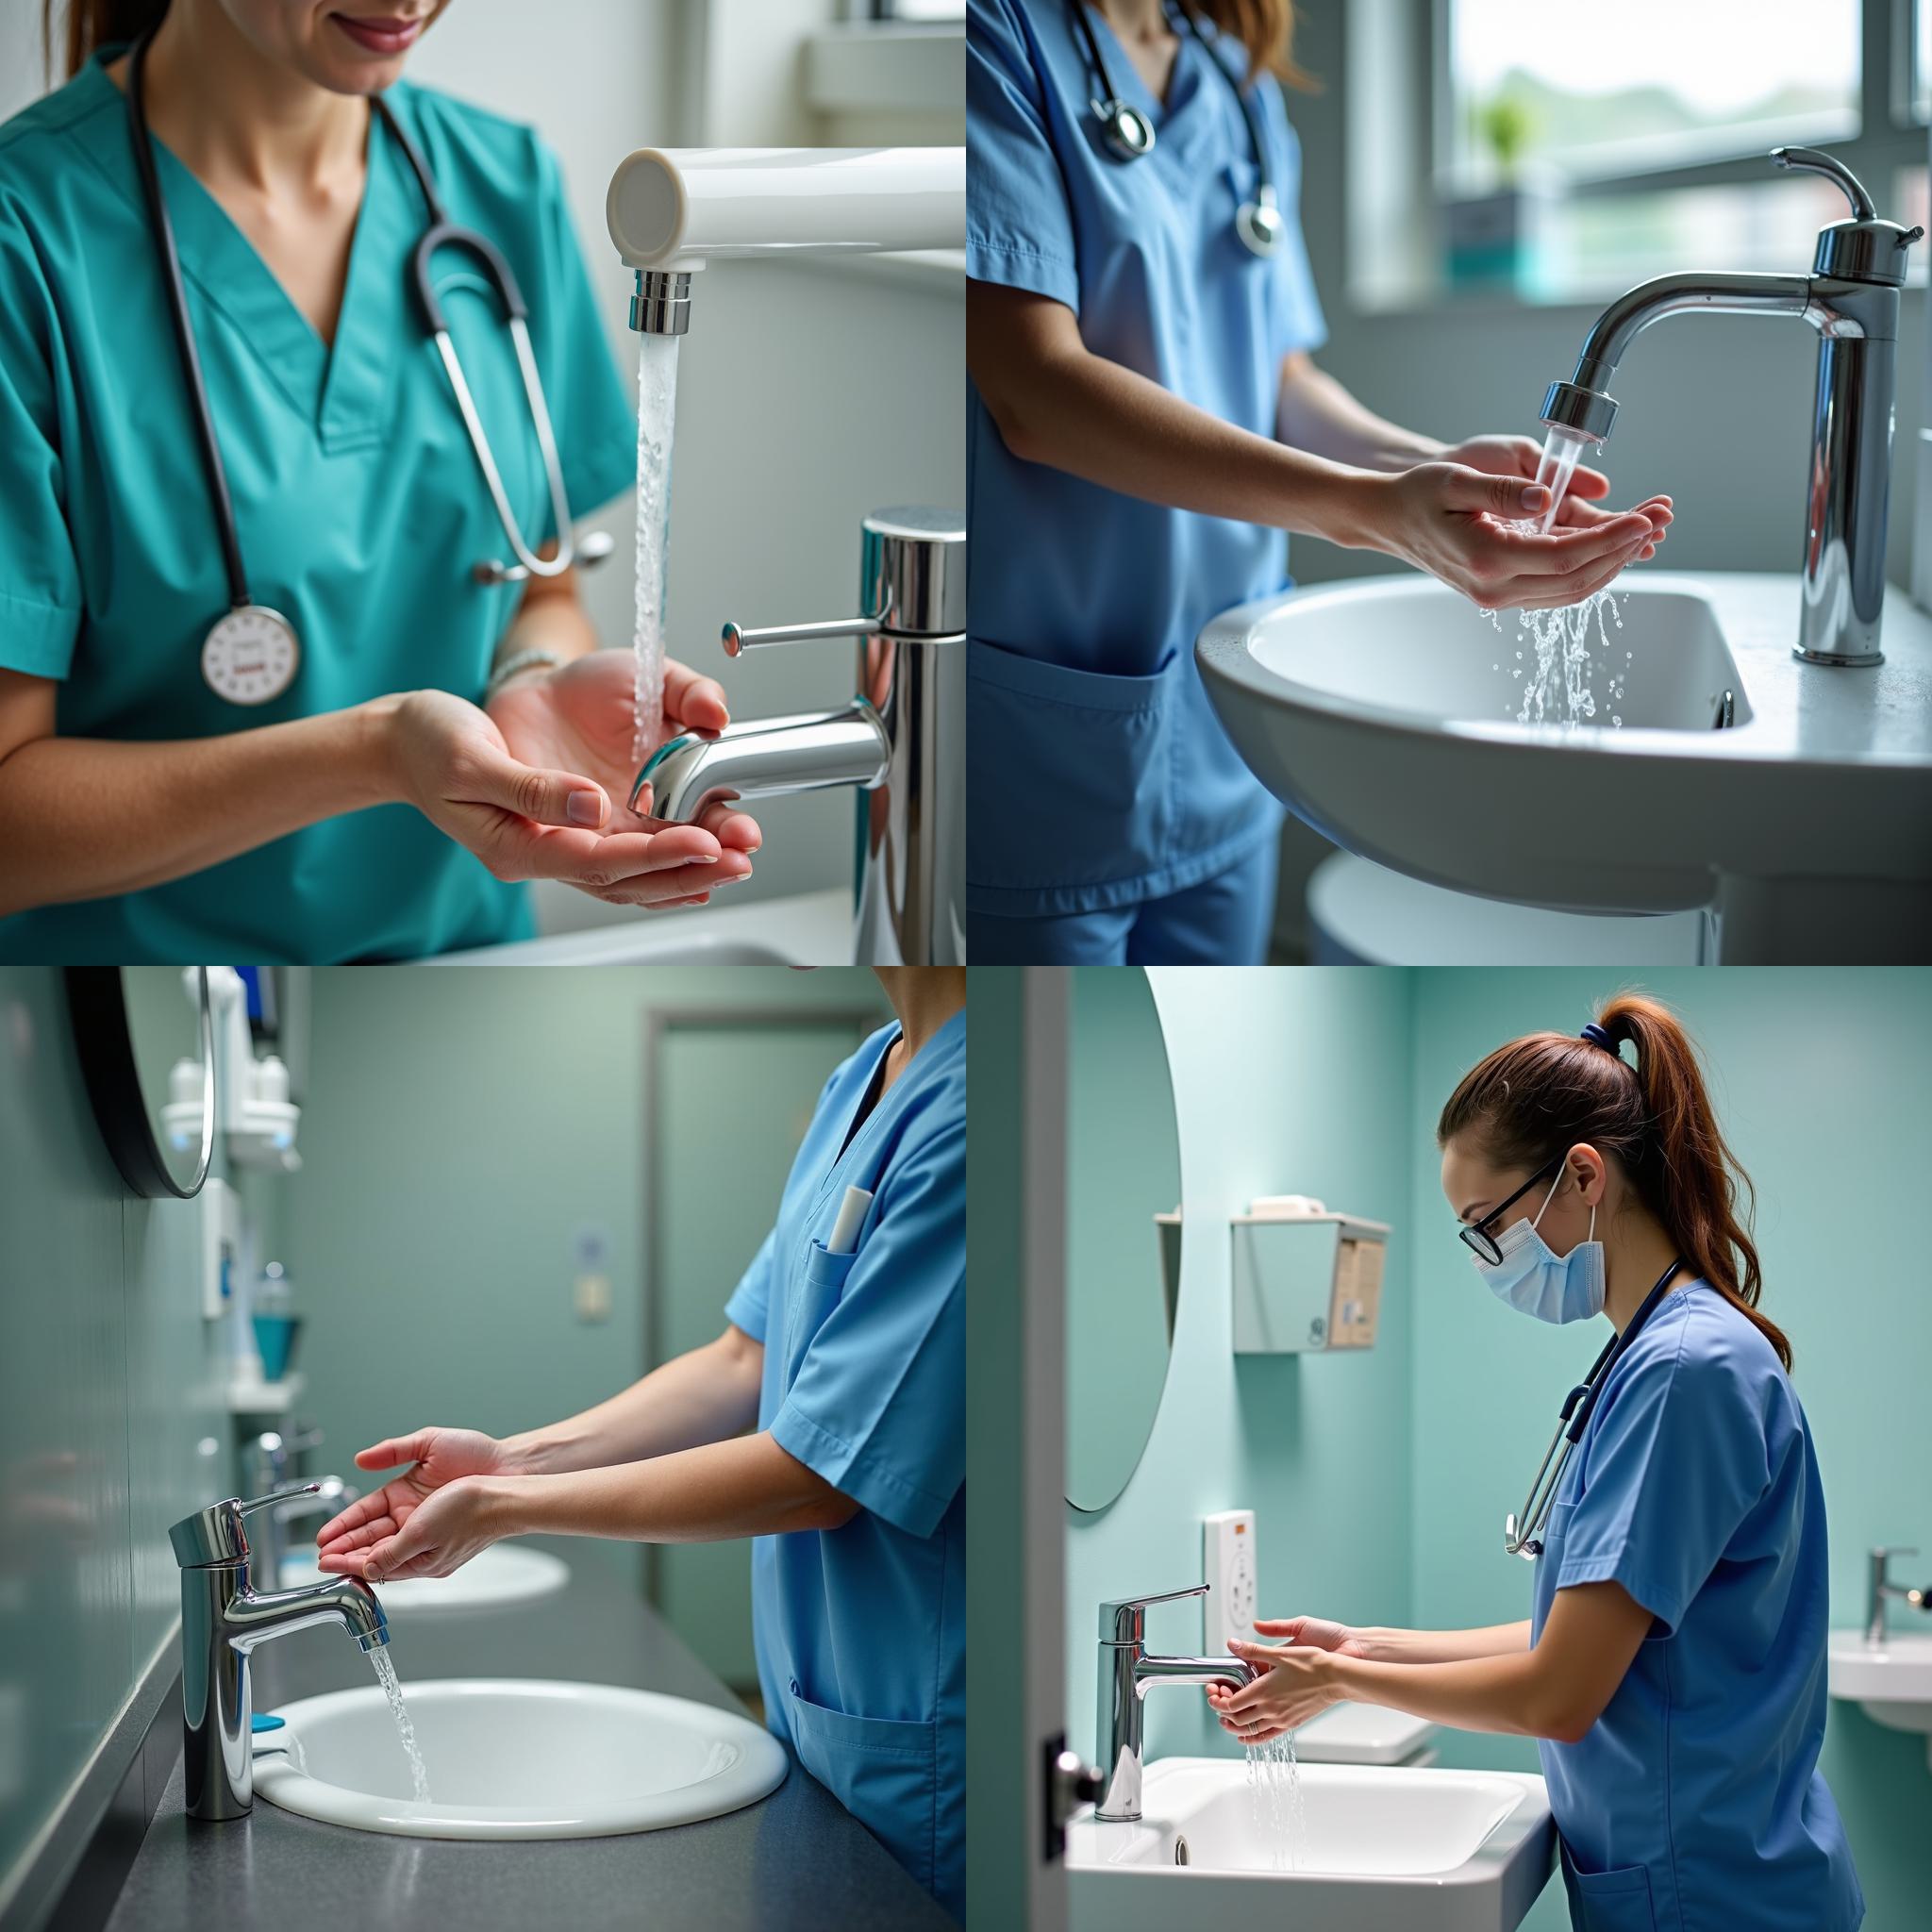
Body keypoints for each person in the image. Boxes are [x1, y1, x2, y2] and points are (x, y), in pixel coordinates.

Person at [0, 0, 759, 961]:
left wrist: (532, 684)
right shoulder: (24, 239)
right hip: (126, 1016)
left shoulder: (501, 185)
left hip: (471, 968)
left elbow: (541, 590)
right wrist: (375, 753)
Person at [965, 0, 1674, 964]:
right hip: (1050, 750)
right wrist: (1369, 512)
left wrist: (1429, 472)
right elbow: (1032, 387)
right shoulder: (994, 38)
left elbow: (1282, 382)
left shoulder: (1237, 88)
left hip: (1224, 742)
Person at [312, 966, 966, 1919]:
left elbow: (818, 1475)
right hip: (824, 1718)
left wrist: (504, 1509)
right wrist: (510, 1460)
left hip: (922, 1737)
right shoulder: (864, 1073)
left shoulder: (966, 1111)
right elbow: (742, 1357)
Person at [1208, 995, 1862, 1931]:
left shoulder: (1682, 1373)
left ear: (1581, 1175)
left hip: (1712, 1894)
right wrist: (1358, 1644)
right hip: (1704, 1874)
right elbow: (1576, 1637)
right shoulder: (1655, 1354)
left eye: (1485, 1224)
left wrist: (1340, 1683)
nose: (1484, 1259)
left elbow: (1558, 1692)